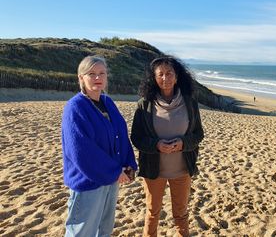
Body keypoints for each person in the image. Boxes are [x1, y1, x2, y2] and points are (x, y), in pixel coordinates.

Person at [62, 56, 137, 236]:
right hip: (88, 182)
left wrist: (129, 164)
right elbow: (81, 151)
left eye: (101, 73)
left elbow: (121, 133)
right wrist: (114, 171)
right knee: (81, 232)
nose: (98, 78)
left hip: (111, 179)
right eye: (92, 74)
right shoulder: (75, 107)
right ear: (81, 78)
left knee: (104, 230)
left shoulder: (107, 102)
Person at [131, 56, 204, 237]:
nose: (165, 78)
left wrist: (183, 143)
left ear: (177, 76)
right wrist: (156, 145)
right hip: (154, 171)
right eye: (160, 74)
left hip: (182, 169)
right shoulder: (144, 105)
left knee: (181, 213)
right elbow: (136, 137)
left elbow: (198, 134)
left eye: (169, 73)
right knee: (152, 213)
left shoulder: (190, 103)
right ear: (153, 78)